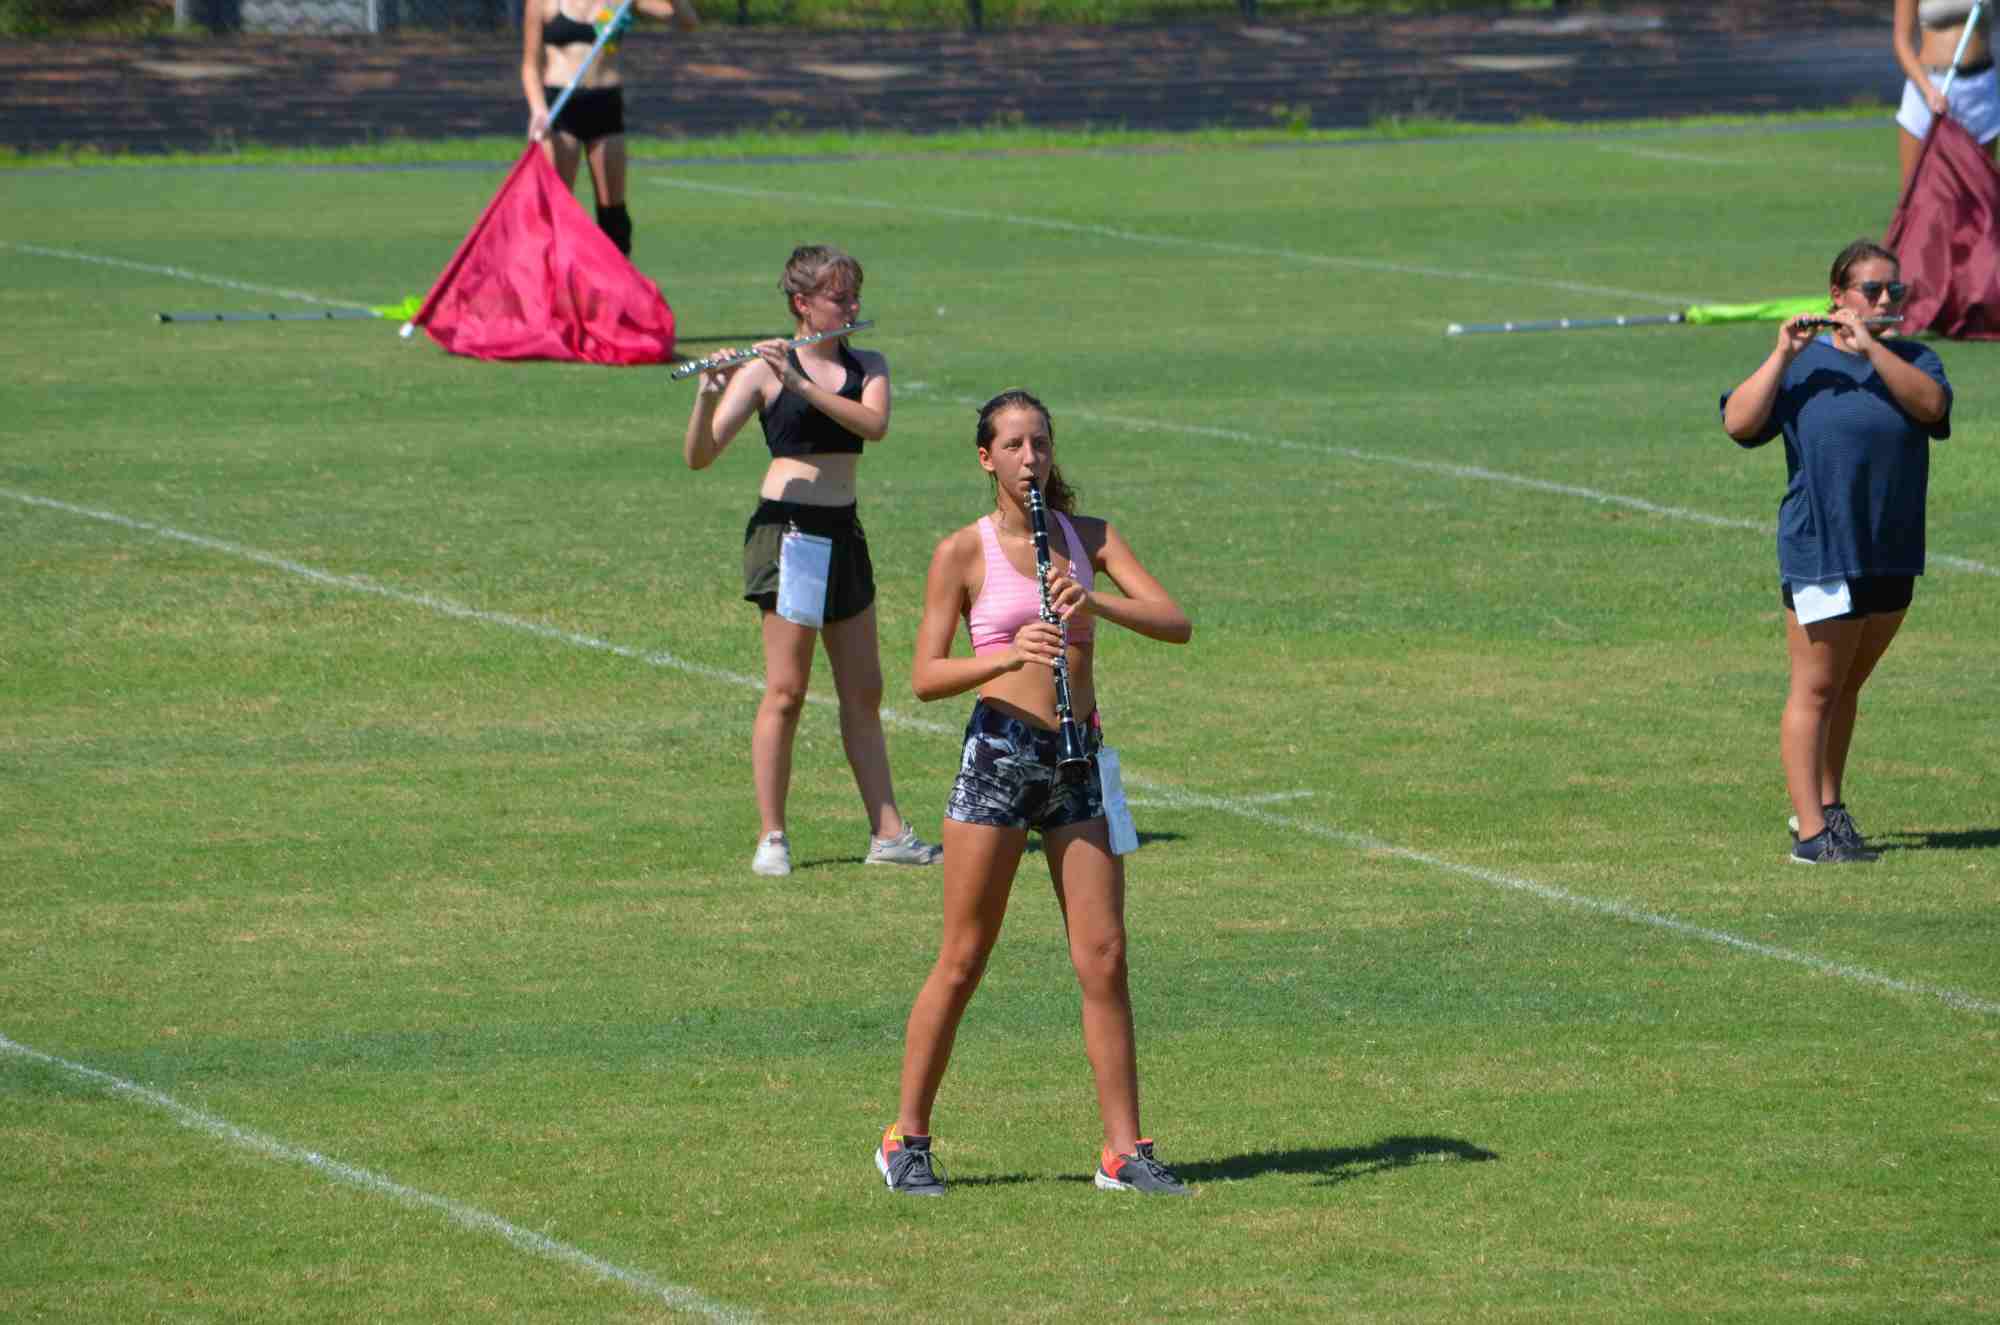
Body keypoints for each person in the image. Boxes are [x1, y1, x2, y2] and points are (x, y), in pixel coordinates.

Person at [875, 390, 1193, 1198]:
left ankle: (1122, 1150)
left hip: (1078, 757)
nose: (1030, 459)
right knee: (964, 957)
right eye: (1014, 445)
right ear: (986, 459)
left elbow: (1175, 619)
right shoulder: (963, 551)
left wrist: (1095, 599)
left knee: (1105, 955)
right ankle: (905, 1139)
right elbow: (924, 676)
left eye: (1041, 444)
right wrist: (1007, 653)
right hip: (1000, 756)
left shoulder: (1090, 538)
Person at [682, 245, 941, 878]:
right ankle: (772, 835)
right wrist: (707, 395)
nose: (851, 307)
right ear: (802, 304)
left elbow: (873, 425)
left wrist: (802, 385)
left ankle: (888, 833)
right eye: (838, 298)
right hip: (789, 533)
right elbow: (700, 455)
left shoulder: (867, 365)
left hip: (843, 531)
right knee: (787, 690)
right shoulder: (763, 372)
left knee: (864, 690)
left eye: (854, 296)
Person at [1720, 240, 1953, 865]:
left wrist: (1872, 347)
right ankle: (1810, 835)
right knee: (1817, 689)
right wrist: (1781, 354)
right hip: (1822, 549)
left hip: (1890, 551)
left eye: (1895, 290)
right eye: (1871, 290)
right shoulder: (1803, 367)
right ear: (1837, 296)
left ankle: (1829, 807)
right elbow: (1738, 423)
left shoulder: (1914, 360)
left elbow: (1932, 408)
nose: (1885, 300)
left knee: (1847, 684)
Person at [521, 0, 699, 255]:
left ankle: (614, 279)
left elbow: (688, 22)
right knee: (557, 209)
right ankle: (555, 278)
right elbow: (530, 66)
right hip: (560, 108)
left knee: (613, 214)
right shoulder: (543, 3)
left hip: (605, 103)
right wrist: (538, 109)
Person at [1894, 0, 1998, 188]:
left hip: (1980, 92)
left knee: (1980, 194)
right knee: (1915, 192)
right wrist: (1928, 90)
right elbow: (1902, 42)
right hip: (1929, 91)